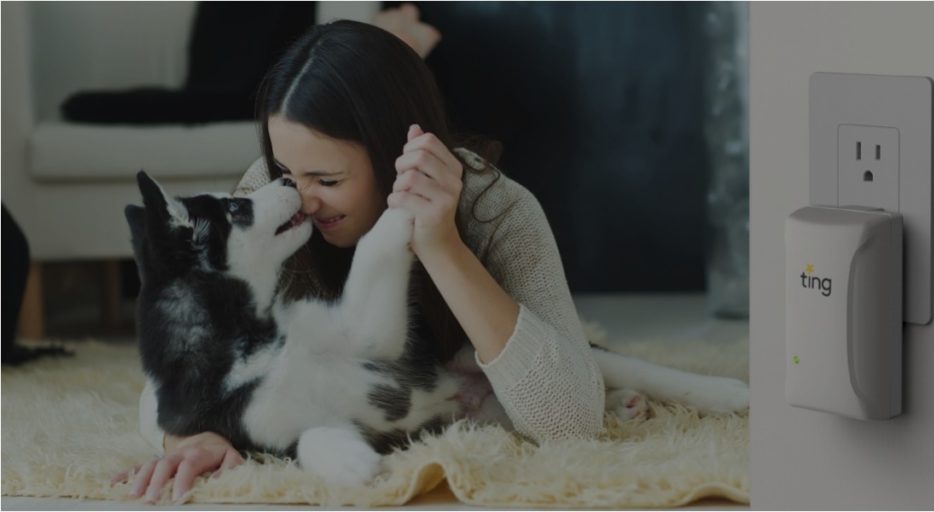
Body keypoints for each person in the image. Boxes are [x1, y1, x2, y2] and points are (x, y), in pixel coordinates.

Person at [114, 14, 604, 504]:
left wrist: (441, 245)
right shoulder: (272, 200)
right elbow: (178, 369)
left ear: (396, 156)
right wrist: (191, 437)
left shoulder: (497, 209)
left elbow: (572, 422)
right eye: (284, 169)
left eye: (327, 181)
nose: (300, 199)